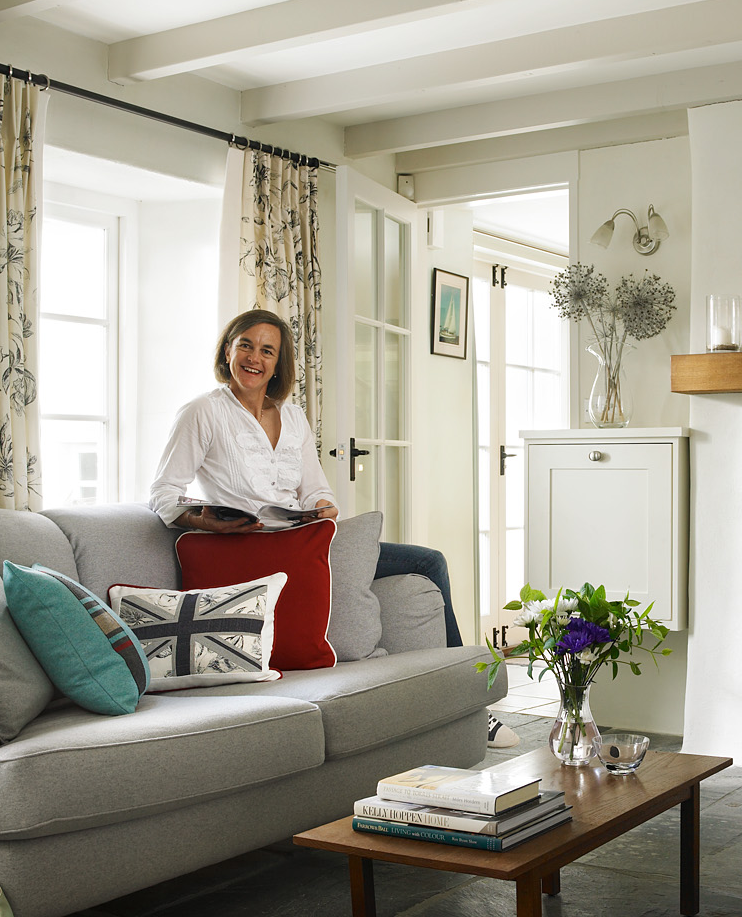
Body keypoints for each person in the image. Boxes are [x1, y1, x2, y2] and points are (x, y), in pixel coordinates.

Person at [148, 308, 518, 748]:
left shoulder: (293, 416)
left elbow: (316, 490)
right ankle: (474, 699)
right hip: (251, 544)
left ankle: (472, 698)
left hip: (302, 536)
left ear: (278, 362)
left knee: (427, 561)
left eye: (267, 350)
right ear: (227, 349)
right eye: (245, 344)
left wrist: (321, 508)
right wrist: (209, 521)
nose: (254, 357)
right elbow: (164, 494)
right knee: (424, 560)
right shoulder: (201, 413)